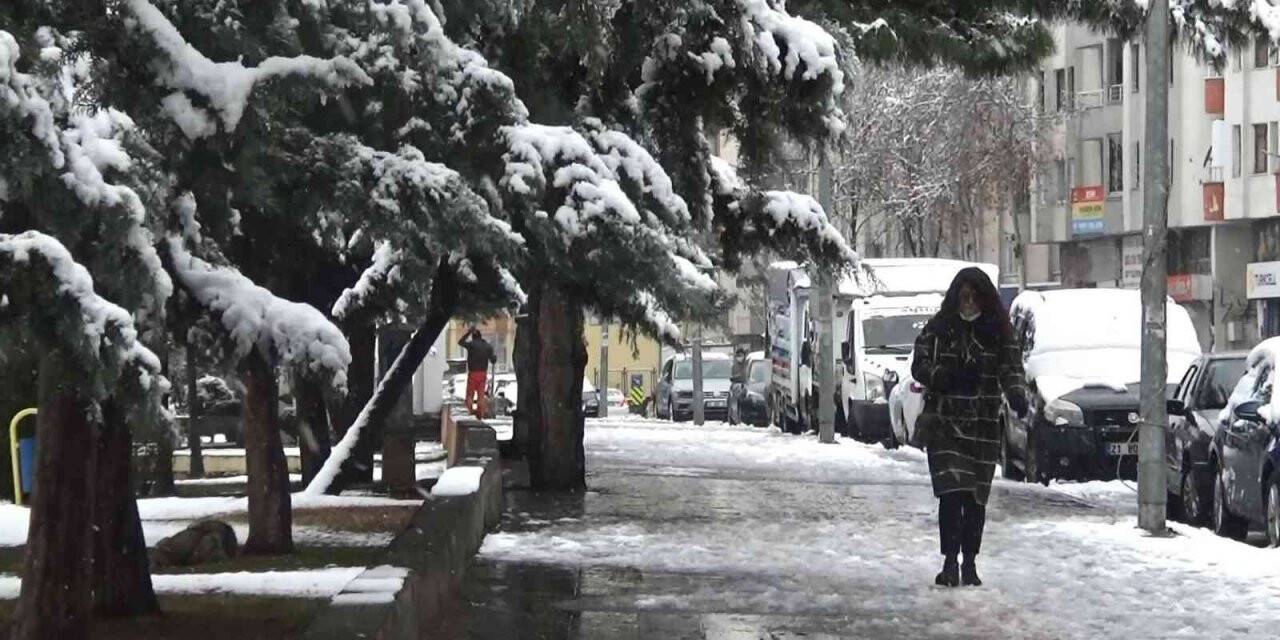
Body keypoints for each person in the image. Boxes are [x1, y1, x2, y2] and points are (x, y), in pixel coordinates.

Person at [910, 268, 1028, 588]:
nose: (969, 304)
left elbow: (1012, 367)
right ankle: (950, 561)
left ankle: (970, 562)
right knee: (952, 494)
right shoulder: (940, 329)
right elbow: (919, 364)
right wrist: (943, 376)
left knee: (975, 499)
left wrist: (1017, 393)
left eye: (974, 298)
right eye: (963, 298)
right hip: (947, 423)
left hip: (983, 425)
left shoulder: (998, 333)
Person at [458, 328, 497, 418]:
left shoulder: (471, 345)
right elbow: (492, 359)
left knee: (470, 395)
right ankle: (480, 415)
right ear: (480, 336)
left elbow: (460, 342)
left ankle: (468, 413)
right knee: (481, 395)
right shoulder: (487, 346)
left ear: (473, 337)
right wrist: (494, 358)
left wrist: (468, 332)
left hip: (473, 373)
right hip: (483, 373)